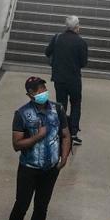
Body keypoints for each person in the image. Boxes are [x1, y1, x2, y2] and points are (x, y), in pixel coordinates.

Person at [0, 76, 71, 220]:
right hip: (28, 169)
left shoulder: (58, 109)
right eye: (37, 90)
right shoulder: (22, 114)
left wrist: (64, 158)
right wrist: (38, 136)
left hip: (50, 170)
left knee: (41, 208)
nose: (42, 92)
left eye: (43, 87)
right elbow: (16, 144)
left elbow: (65, 134)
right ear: (29, 94)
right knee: (21, 206)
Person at [44, 15, 88, 145]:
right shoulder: (81, 42)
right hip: (74, 79)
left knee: (61, 105)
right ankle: (73, 133)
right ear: (77, 26)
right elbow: (84, 63)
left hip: (59, 78)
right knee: (75, 104)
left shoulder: (57, 38)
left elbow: (47, 52)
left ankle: (60, 131)